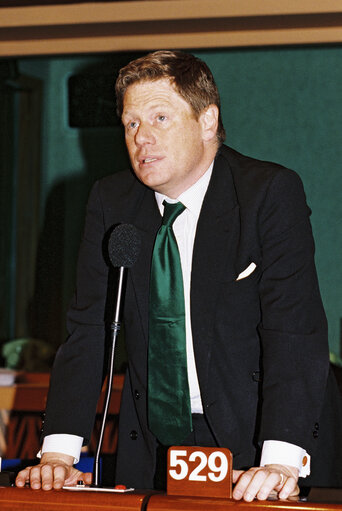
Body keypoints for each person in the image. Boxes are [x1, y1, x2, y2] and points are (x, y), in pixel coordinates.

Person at [16, 50, 342, 499]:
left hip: (259, 437)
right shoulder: (111, 200)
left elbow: (294, 331)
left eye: (160, 118)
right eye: (131, 124)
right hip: (153, 438)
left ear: (207, 121)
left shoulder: (267, 193)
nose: (141, 139)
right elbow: (90, 328)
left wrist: (280, 460)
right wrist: (57, 453)